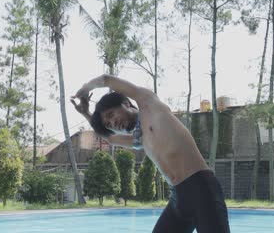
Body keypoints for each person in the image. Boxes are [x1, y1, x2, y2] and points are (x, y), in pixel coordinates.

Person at [71, 74, 230, 233]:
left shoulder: (149, 105)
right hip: (178, 198)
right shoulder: (141, 139)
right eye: (108, 123)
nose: (113, 123)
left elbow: (106, 79)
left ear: (126, 103)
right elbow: (111, 139)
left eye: (111, 114)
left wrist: (85, 88)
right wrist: (85, 113)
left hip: (201, 190)